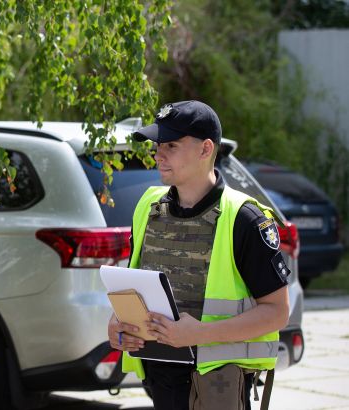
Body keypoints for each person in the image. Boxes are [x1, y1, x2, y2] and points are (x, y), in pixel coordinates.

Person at [107, 100, 291, 409]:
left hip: (218, 386)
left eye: (171, 145)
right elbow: (138, 289)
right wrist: (120, 323)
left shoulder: (244, 218)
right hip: (161, 380)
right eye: (158, 145)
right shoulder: (148, 206)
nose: (158, 154)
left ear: (205, 149)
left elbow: (277, 312)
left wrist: (200, 334)